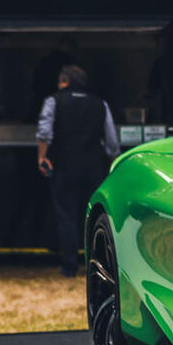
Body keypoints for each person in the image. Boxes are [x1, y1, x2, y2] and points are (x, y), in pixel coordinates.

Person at [37, 65, 119, 277]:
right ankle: (98, 266)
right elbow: (111, 142)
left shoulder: (53, 100)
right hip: (93, 168)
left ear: (64, 81)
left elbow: (45, 132)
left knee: (66, 217)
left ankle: (69, 267)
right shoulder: (100, 104)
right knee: (95, 217)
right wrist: (112, 162)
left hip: (63, 166)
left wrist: (42, 157)